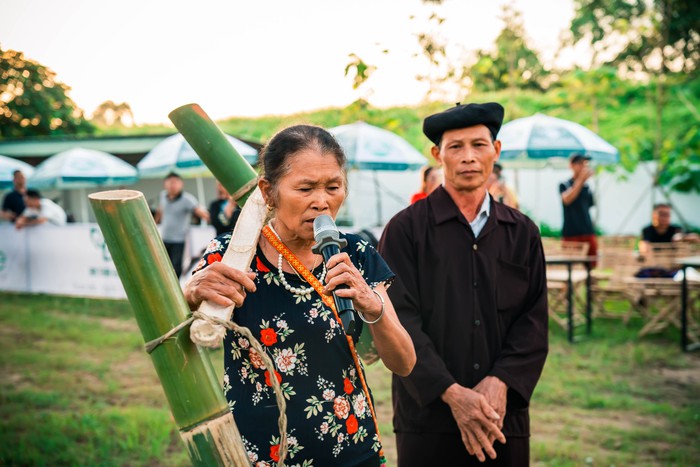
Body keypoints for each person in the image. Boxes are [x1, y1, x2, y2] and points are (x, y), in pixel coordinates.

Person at [184, 124, 416, 466]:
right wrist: (190, 293)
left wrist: (372, 305)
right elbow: (183, 338)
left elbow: (405, 363)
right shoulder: (233, 254)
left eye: (333, 187)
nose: (321, 202)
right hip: (263, 454)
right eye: (305, 188)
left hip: (351, 447)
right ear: (268, 191)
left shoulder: (356, 254)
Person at [378, 102, 548, 466]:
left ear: (496, 151)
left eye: (479, 145)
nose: (468, 157)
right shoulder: (405, 230)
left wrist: (501, 380)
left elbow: (532, 320)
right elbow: (399, 322)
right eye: (456, 147)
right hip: (428, 419)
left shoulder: (522, 232)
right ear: (438, 155)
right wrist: (452, 393)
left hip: (499, 415)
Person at [154, 172, 210, 278]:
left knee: (176, 268)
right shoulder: (163, 196)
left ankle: (175, 291)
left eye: (175, 183)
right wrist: (155, 224)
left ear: (181, 184)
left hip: (179, 241)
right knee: (163, 267)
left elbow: (203, 214)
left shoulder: (187, 199)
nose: (173, 185)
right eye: (170, 183)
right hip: (165, 238)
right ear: (165, 184)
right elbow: (160, 211)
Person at [559, 152, 597, 267]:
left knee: (591, 265)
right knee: (571, 266)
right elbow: (567, 199)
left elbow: (590, 205)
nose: (583, 167)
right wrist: (581, 180)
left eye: (585, 164)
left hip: (587, 230)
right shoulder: (564, 184)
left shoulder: (587, 187)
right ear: (571, 165)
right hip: (571, 232)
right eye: (579, 163)